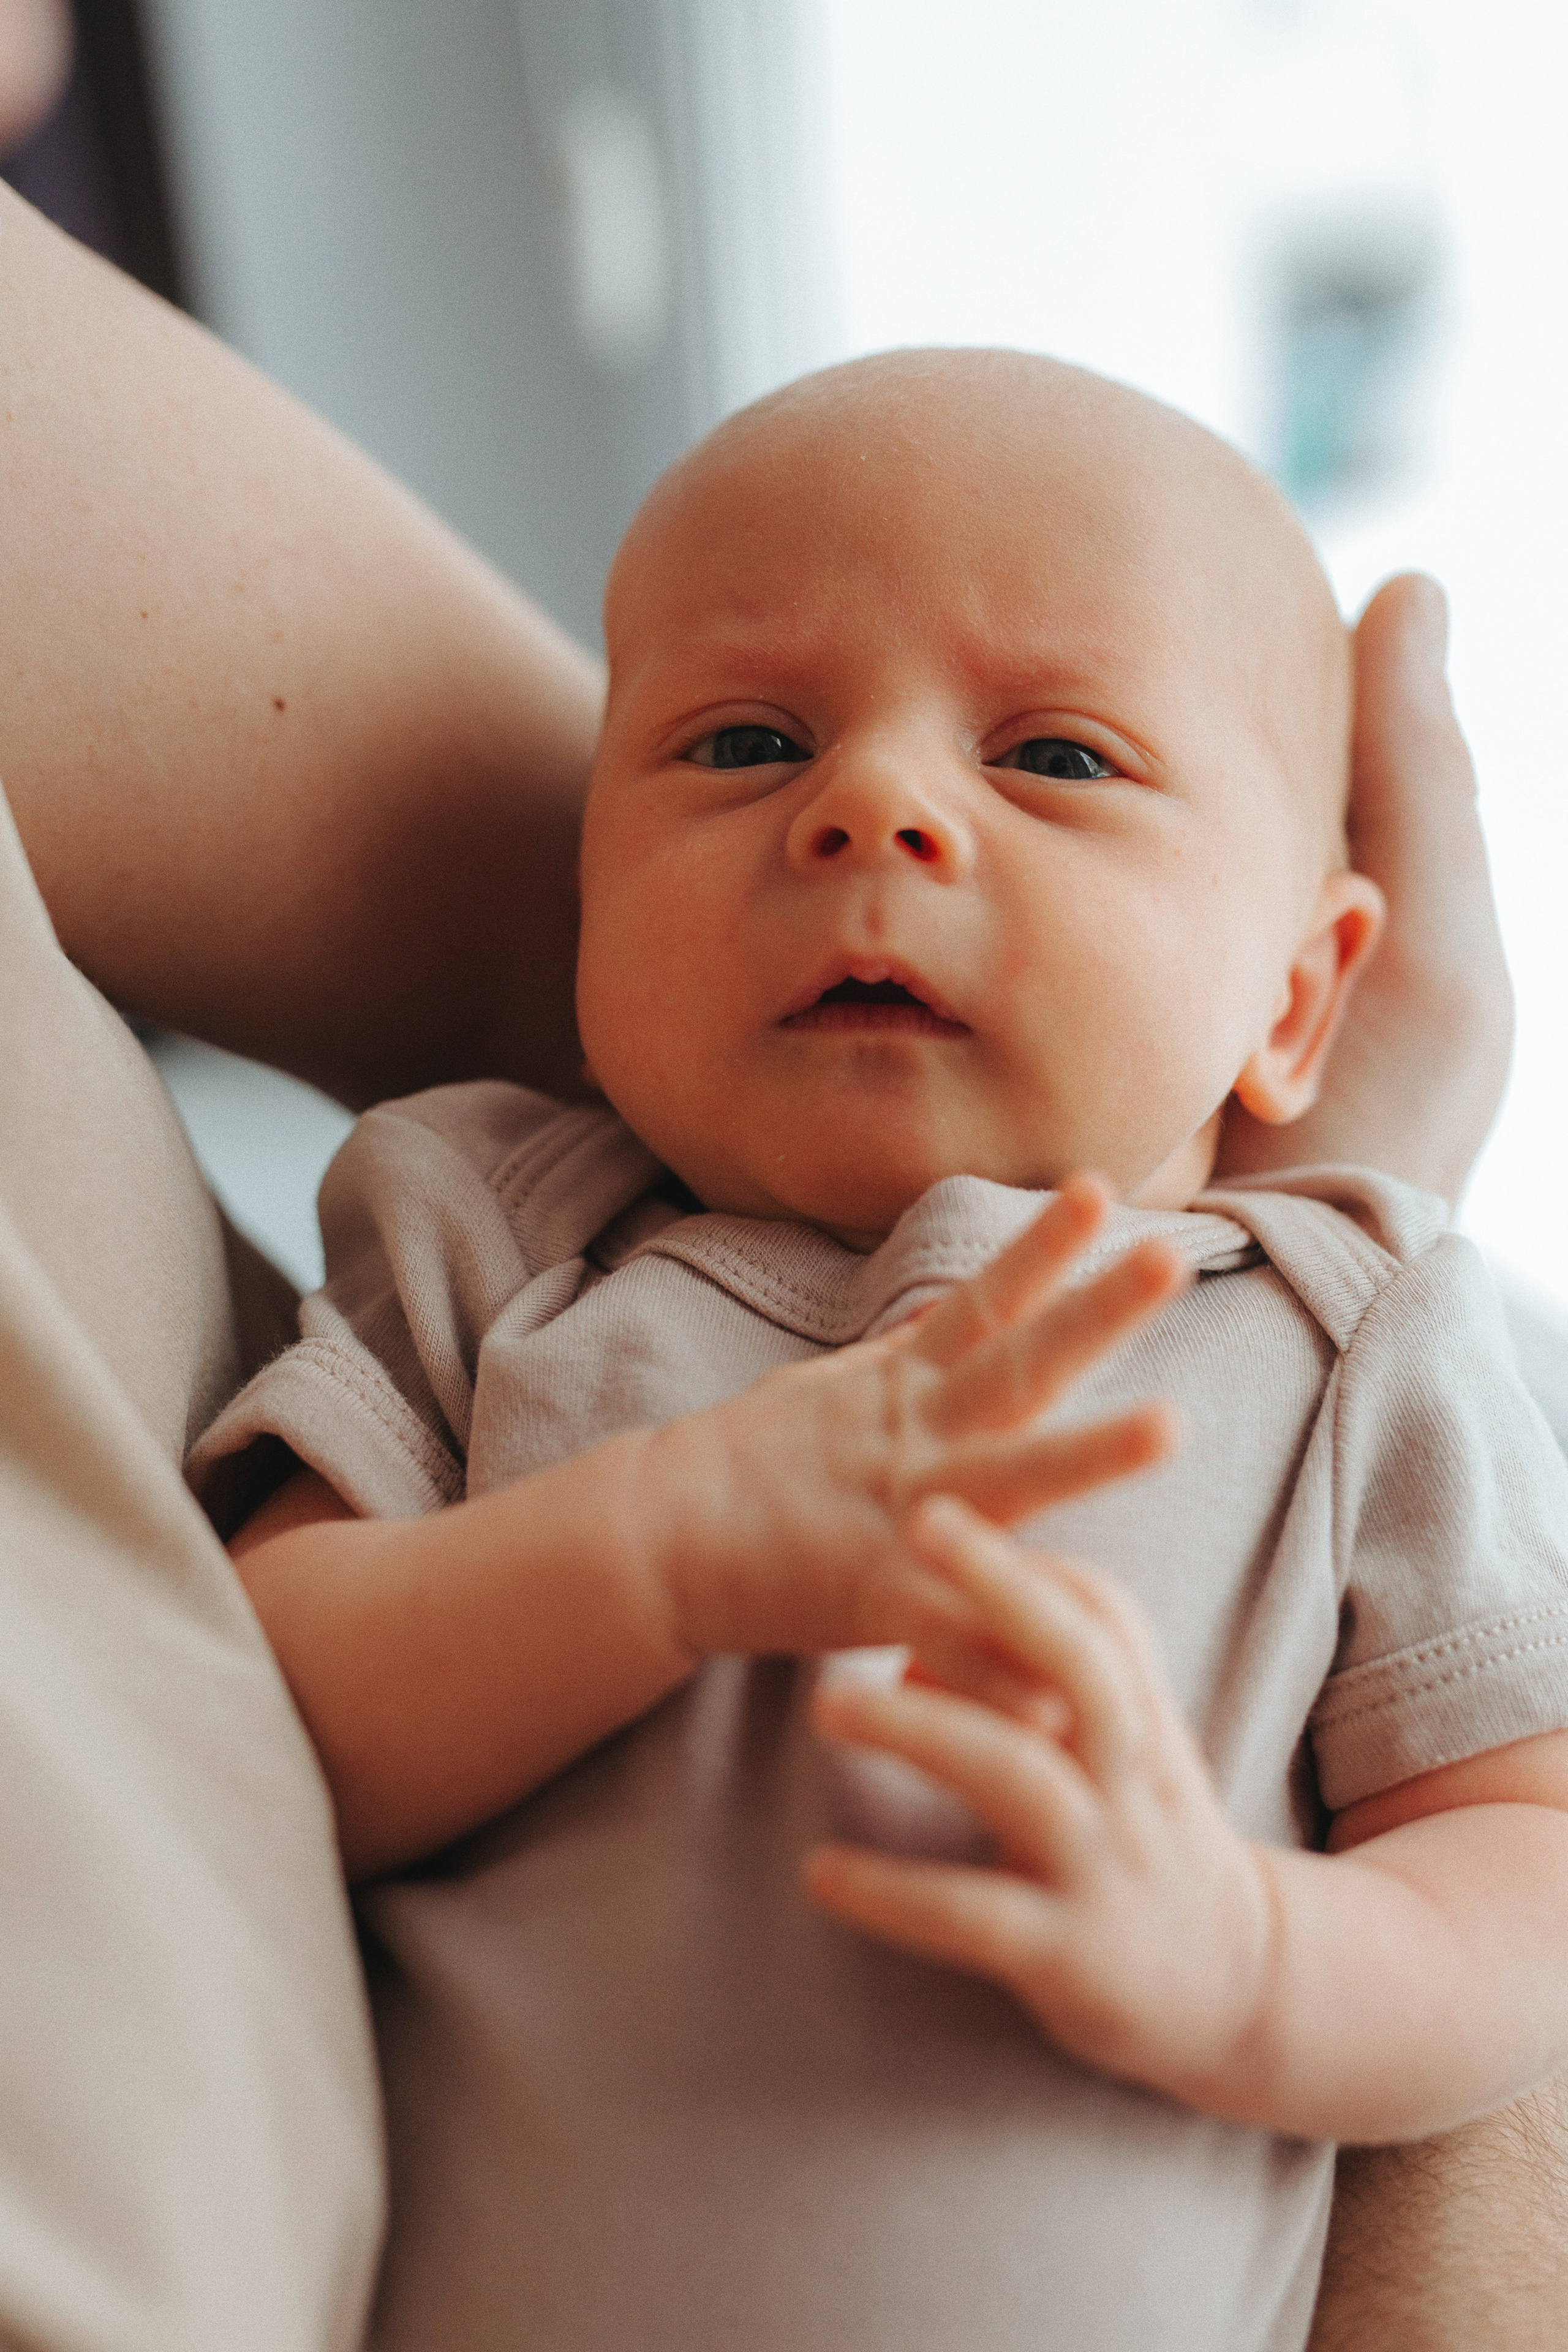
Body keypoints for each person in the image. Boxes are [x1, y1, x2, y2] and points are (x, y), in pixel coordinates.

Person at [0, 179, 1558, 2349]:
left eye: (1056, 756)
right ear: (583, 901)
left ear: (1300, 996)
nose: (872, 806)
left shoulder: (1349, 1330)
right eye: (744, 744)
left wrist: (1253, 1960)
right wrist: (657, 1552)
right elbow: (251, 1722)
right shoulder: (496, 1226)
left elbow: (1527, 1862)